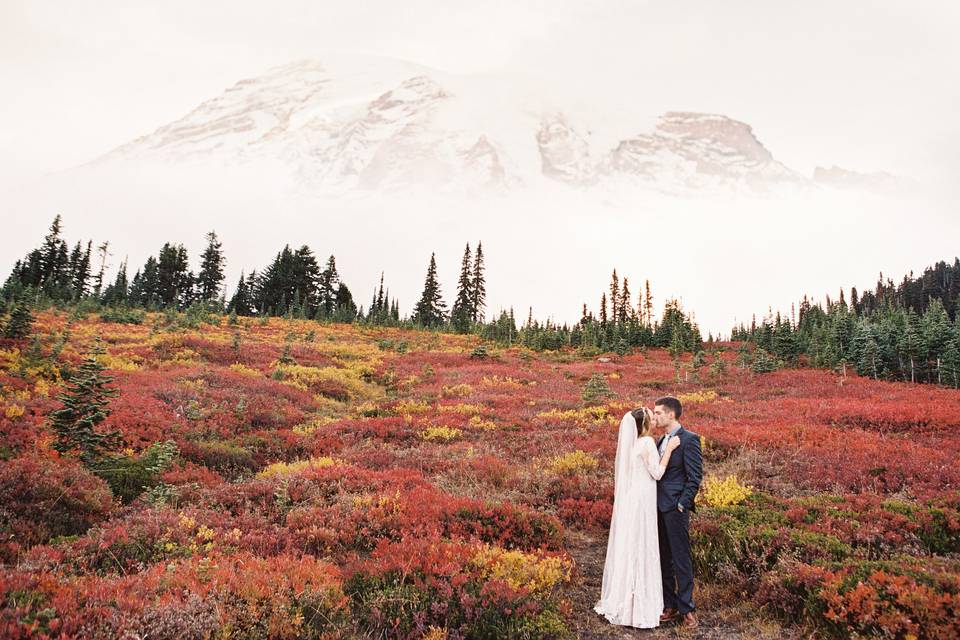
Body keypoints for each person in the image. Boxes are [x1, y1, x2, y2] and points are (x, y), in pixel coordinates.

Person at [594, 407, 681, 628]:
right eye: (652, 418)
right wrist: (669, 450)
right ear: (643, 425)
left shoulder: (633, 446)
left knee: (631, 546)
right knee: (642, 546)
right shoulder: (646, 443)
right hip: (643, 502)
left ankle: (625, 600)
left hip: (633, 500)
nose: (655, 420)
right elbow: (658, 473)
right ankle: (639, 606)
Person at [652, 395, 703, 629]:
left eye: (658, 412)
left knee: (681, 558)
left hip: (675, 508)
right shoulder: (660, 440)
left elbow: (694, 477)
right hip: (656, 508)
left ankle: (687, 609)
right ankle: (669, 605)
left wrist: (683, 503)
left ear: (671, 414)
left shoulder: (689, 439)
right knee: (664, 558)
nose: (655, 416)